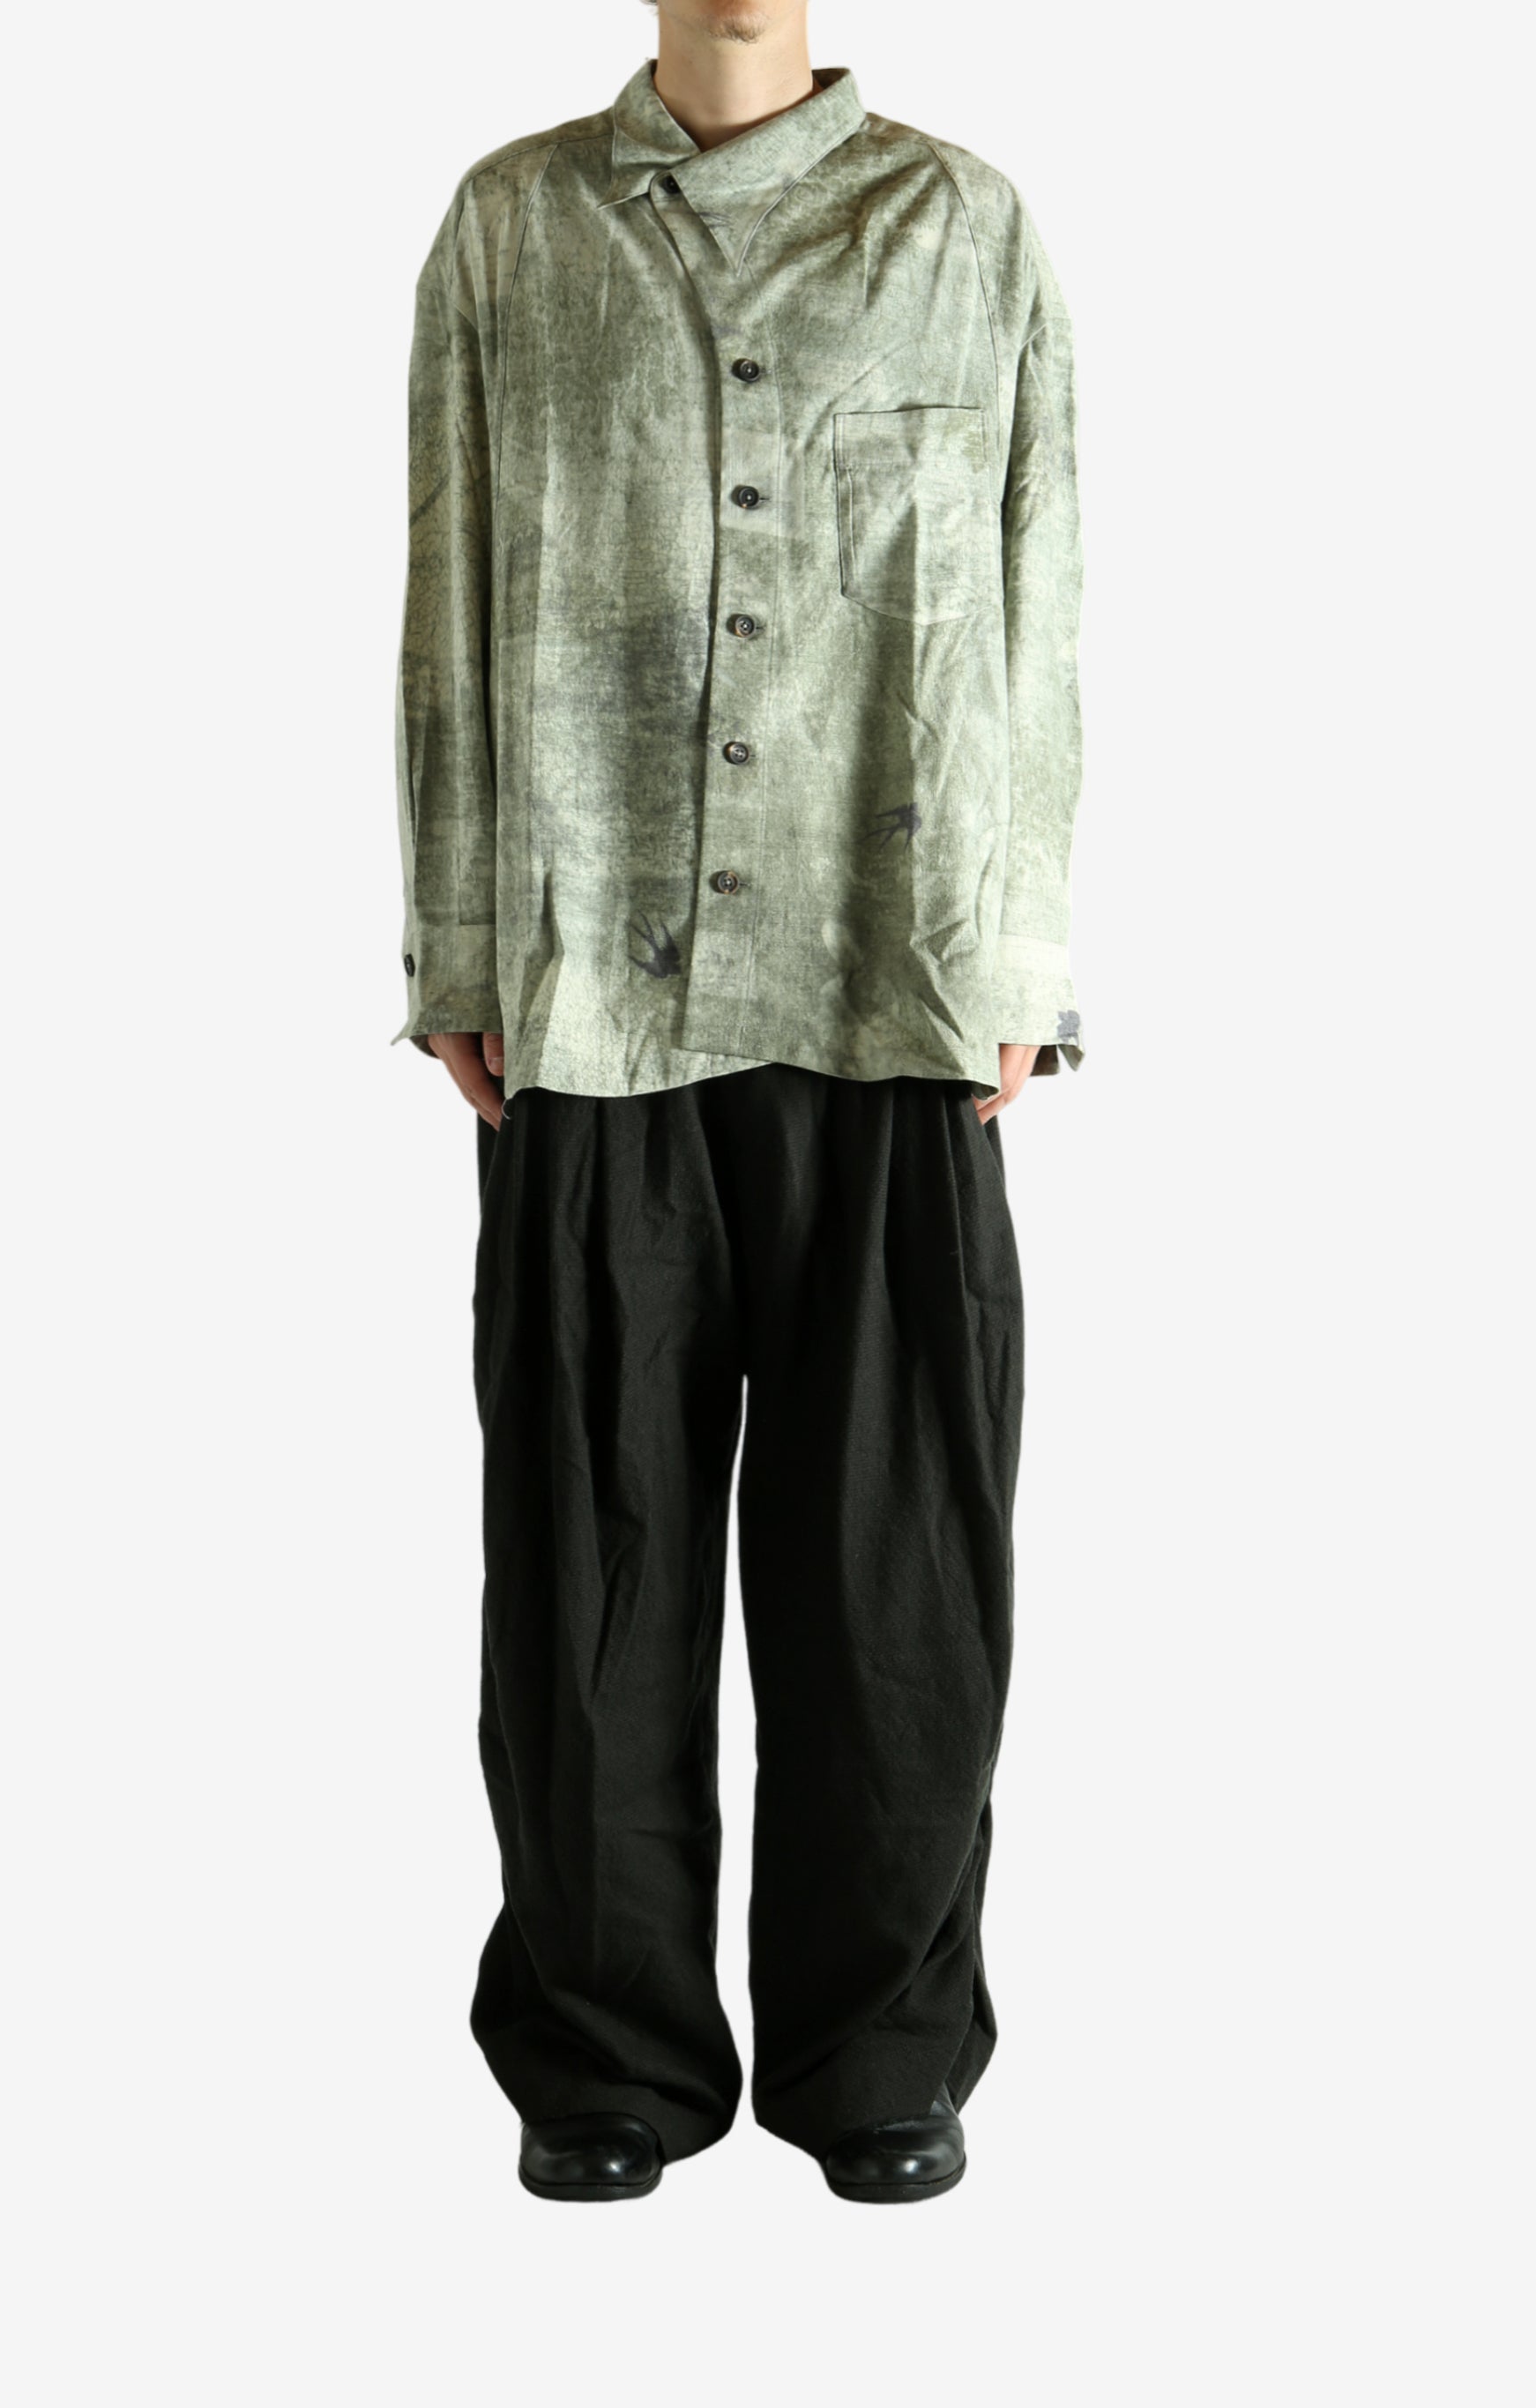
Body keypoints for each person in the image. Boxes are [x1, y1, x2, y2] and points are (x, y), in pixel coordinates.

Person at [392, 0, 1086, 2203]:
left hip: (898, 983)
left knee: (898, 1579)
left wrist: (1024, 955)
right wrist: (456, 944)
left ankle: (882, 2052)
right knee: (583, 1570)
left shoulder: (963, 227)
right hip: (594, 982)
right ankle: (606, 2057)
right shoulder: (512, 227)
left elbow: (1036, 588)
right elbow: (448, 585)